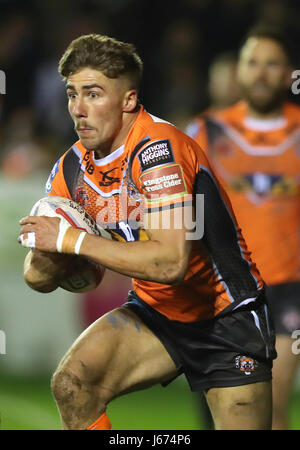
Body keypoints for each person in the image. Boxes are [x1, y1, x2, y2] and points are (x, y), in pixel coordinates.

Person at [18, 34, 276, 430]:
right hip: (156, 312)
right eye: (72, 94)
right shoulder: (71, 169)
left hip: (225, 316)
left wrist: (73, 241)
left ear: (128, 100)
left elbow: (170, 262)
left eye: (93, 94)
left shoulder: (157, 150)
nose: (78, 109)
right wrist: (50, 259)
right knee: (73, 385)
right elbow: (35, 277)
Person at [186, 25, 300, 430]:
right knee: (224, 413)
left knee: (272, 407)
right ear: (240, 71)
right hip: (225, 293)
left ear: (289, 73)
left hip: (289, 289)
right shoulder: (206, 132)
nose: (262, 72)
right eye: (253, 62)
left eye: (272, 63)